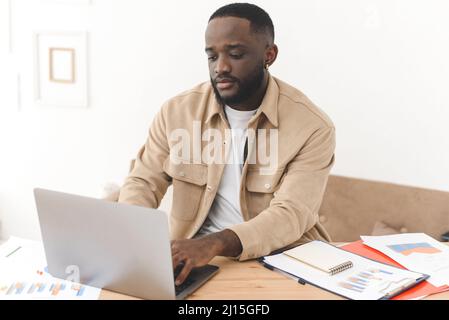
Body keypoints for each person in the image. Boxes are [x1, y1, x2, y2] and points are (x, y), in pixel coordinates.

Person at [118, 3, 335, 285]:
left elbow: (291, 215)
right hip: (191, 261)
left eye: (235, 54)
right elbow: (142, 182)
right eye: (212, 56)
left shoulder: (312, 126)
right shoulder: (176, 112)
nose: (220, 67)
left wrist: (214, 244)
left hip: (277, 262)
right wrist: (133, 239)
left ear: (269, 55)